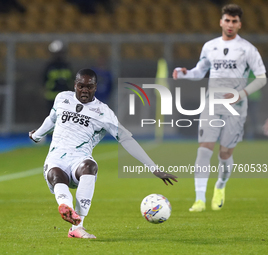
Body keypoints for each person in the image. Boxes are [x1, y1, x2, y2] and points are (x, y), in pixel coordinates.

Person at [29, 68, 177, 238]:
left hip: (79, 160)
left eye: (89, 87)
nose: (84, 90)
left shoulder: (103, 112)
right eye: (81, 86)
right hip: (56, 160)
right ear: (75, 85)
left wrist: (153, 167)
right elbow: (52, 119)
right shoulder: (62, 98)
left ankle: (77, 227)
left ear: (96, 87)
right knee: (56, 173)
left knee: (90, 166)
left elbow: (126, 139)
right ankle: (66, 207)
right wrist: (37, 135)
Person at [173, 4, 266, 212]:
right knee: (204, 150)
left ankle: (220, 186)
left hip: (236, 107)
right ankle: (199, 199)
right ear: (221, 22)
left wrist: (240, 95)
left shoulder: (248, 49)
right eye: (227, 20)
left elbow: (261, 79)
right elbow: (199, 72)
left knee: (225, 154)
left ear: (239, 24)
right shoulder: (210, 46)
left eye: (234, 21)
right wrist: (185, 73)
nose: (230, 24)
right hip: (212, 105)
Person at [42, 40, 73, 113]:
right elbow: (44, 81)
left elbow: (71, 80)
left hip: (65, 98)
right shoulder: (49, 67)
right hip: (52, 97)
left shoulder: (66, 66)